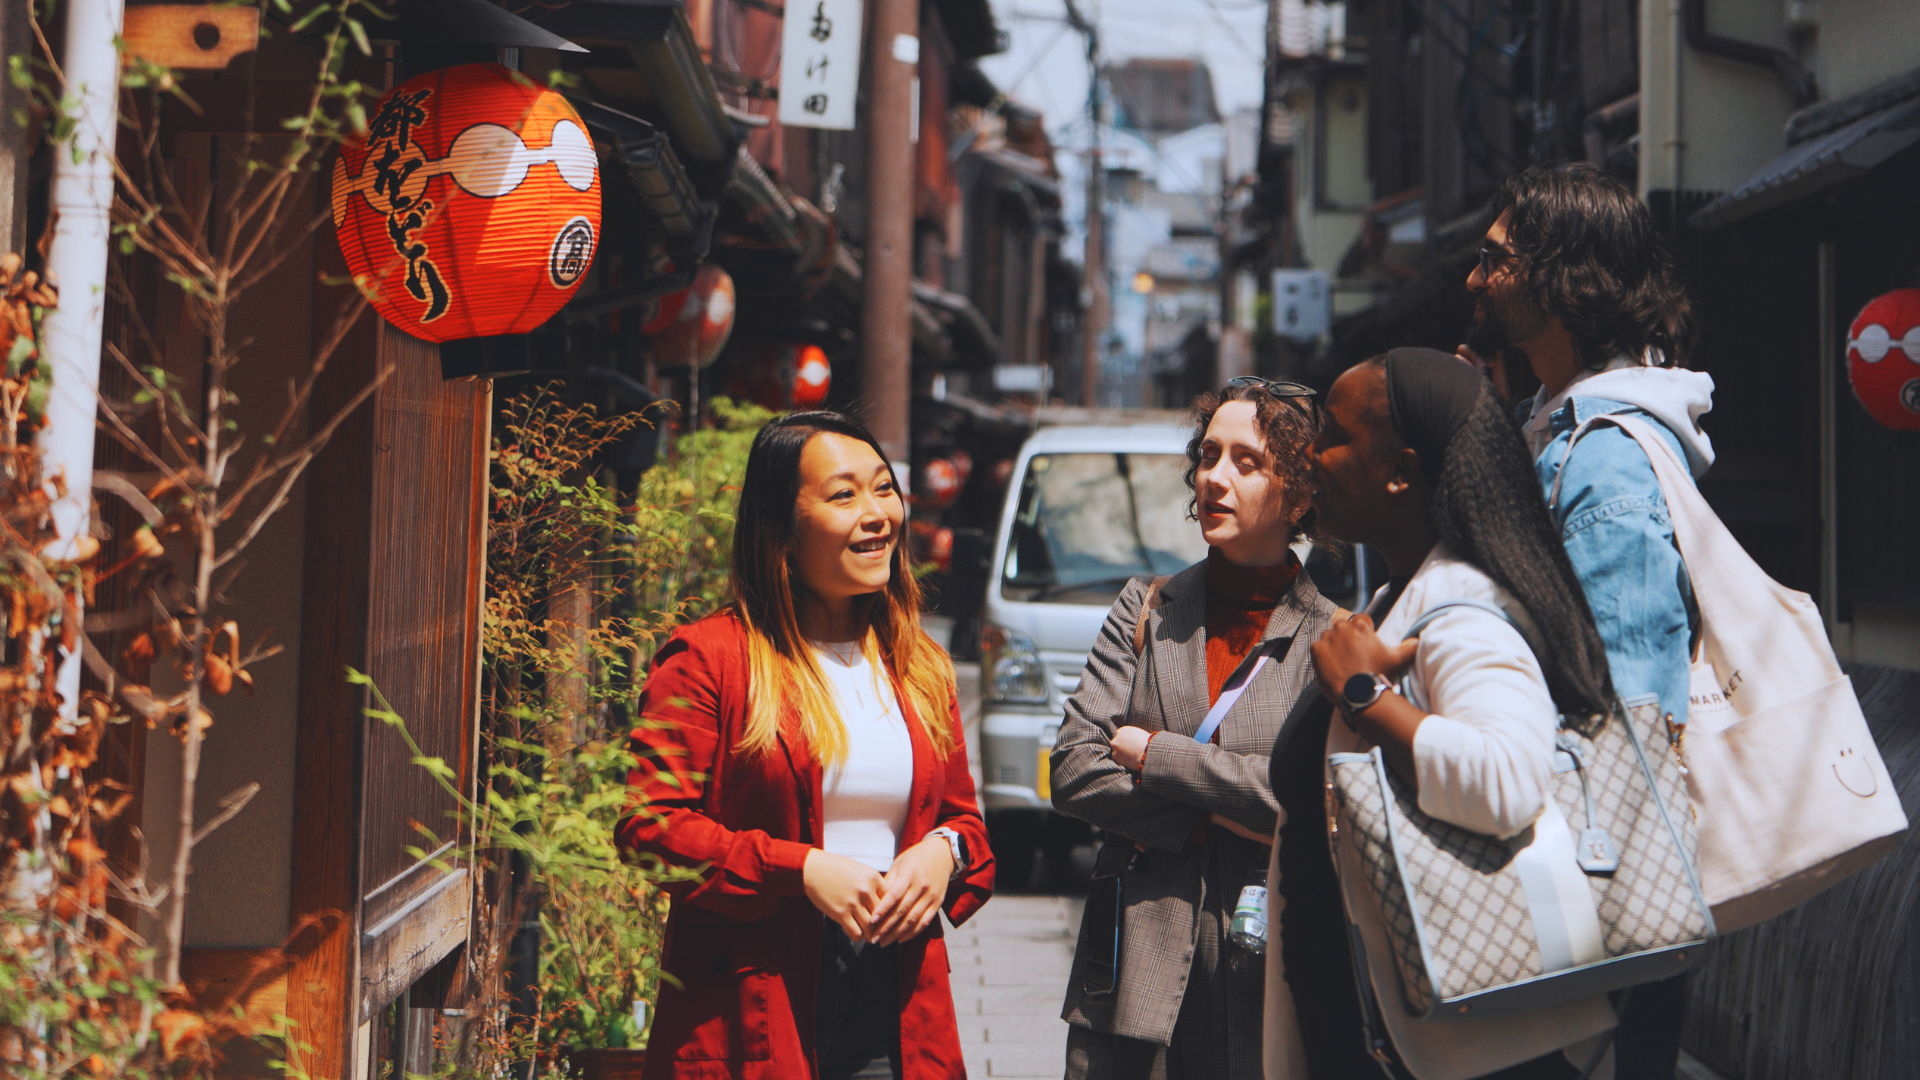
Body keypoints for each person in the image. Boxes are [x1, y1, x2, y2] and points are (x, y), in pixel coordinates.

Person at [1264, 348, 1620, 1079]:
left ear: (1401, 469)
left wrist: (1365, 698)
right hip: (1389, 1032)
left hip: (1458, 1050)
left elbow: (1507, 779)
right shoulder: (1401, 598)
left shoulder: (1463, 611)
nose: (1311, 454)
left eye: (1333, 434)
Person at [617, 412, 994, 1080]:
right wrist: (801, 869)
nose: (877, 513)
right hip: (753, 1005)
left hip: (894, 999)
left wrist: (945, 853)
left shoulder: (920, 666)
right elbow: (650, 828)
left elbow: (962, 821)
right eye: (844, 495)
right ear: (782, 531)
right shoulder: (709, 659)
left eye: (883, 489)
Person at [1461, 161, 1712, 1077]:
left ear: (1562, 277)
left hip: (1590, 913)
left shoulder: (1603, 462)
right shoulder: (1546, 432)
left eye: (1494, 260)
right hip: (1566, 894)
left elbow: (1628, 719)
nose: (1473, 280)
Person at [1049, 377, 1341, 1080]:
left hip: (1266, 957)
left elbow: (1317, 807)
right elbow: (1075, 769)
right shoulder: (1146, 610)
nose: (1215, 477)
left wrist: (1158, 757)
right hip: (1131, 961)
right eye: (1208, 456)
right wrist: (1230, 813)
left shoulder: (1333, 639)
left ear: (1298, 495)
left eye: (1247, 462)